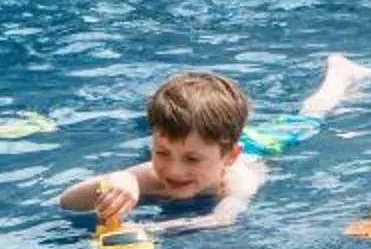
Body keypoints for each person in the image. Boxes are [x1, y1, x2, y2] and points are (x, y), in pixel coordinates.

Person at [57, 70, 267, 235]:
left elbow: (222, 220)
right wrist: (117, 179)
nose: (175, 170)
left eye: (192, 159)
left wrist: (150, 228)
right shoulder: (151, 173)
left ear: (229, 157)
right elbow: (67, 202)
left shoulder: (239, 182)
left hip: (254, 151)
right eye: (162, 153)